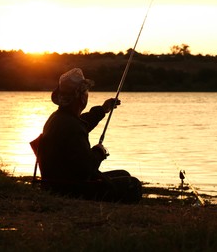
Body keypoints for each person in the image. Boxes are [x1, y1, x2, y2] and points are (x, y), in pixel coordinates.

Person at [37, 68, 142, 203]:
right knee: (133, 185)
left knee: (123, 175)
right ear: (81, 97)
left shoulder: (59, 118)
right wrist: (99, 152)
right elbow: (86, 168)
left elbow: (83, 123)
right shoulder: (72, 126)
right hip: (71, 189)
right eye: (86, 91)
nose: (87, 94)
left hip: (58, 183)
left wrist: (103, 109)